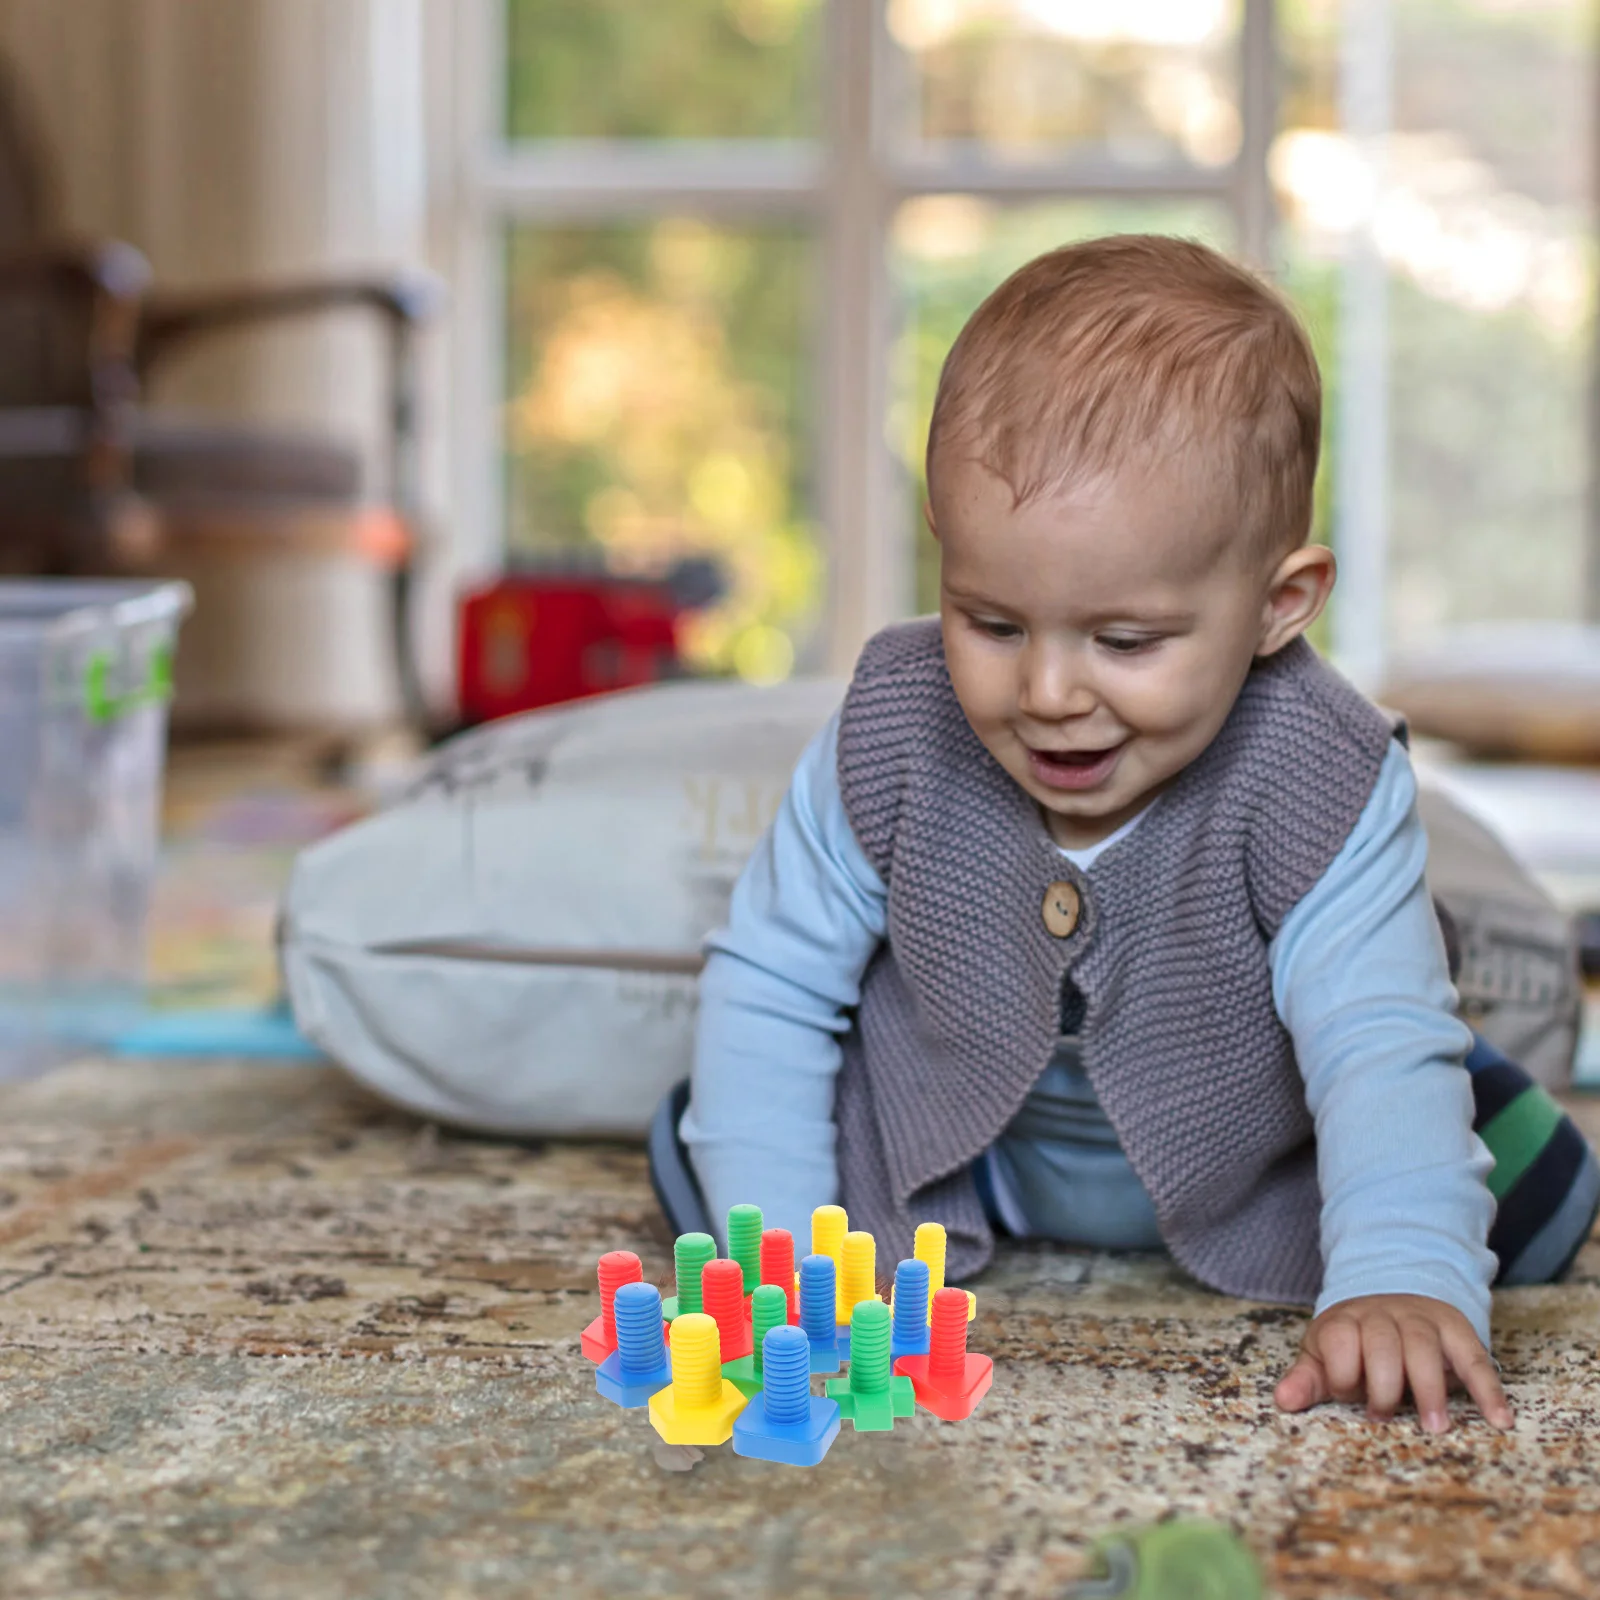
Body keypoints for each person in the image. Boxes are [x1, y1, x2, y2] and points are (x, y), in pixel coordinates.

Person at [648, 235, 1600, 1435]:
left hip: (1262, 1161)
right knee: (719, 1140)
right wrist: (781, 1257)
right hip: (952, 1144)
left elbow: (1370, 1039)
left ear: (1277, 605)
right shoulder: (892, 726)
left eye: (1127, 642)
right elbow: (774, 981)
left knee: (1489, 1171)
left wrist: (1401, 1271)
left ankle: (1440, 1193)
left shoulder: (1321, 775)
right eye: (990, 621)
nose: (1047, 690)